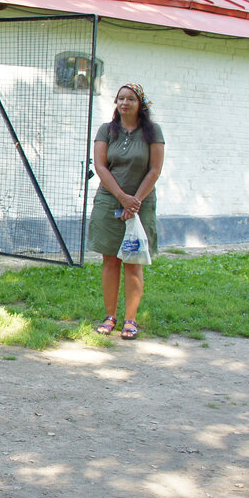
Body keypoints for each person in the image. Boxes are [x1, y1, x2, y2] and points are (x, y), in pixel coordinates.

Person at [89, 83, 165, 340]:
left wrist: (135, 201)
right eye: (120, 98)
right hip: (109, 202)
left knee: (134, 261)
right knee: (110, 259)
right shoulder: (106, 130)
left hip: (140, 205)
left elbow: (154, 170)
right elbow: (100, 166)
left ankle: (130, 320)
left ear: (139, 103)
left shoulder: (152, 131)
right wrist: (121, 198)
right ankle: (110, 316)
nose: (124, 103)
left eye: (130, 99)